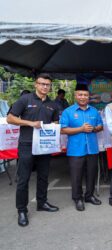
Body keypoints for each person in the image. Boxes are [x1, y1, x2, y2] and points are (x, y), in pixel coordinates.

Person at [7, 73, 59, 227]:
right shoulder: (25, 99)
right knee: (24, 178)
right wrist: (29, 123)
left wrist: (55, 128)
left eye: (47, 84)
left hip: (44, 146)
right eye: (42, 84)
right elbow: (10, 118)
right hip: (26, 144)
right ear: (36, 84)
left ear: (50, 87)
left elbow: (55, 122)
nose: (44, 87)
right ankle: (22, 210)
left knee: (43, 176)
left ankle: (42, 203)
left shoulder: (53, 104)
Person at [60, 84, 103, 211]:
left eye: (85, 95)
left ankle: (89, 195)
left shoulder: (94, 111)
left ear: (88, 97)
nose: (83, 97)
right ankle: (77, 198)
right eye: (80, 94)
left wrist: (94, 128)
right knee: (76, 176)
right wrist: (81, 129)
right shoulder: (68, 111)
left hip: (92, 149)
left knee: (91, 174)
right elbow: (63, 130)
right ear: (75, 95)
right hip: (75, 149)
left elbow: (101, 126)